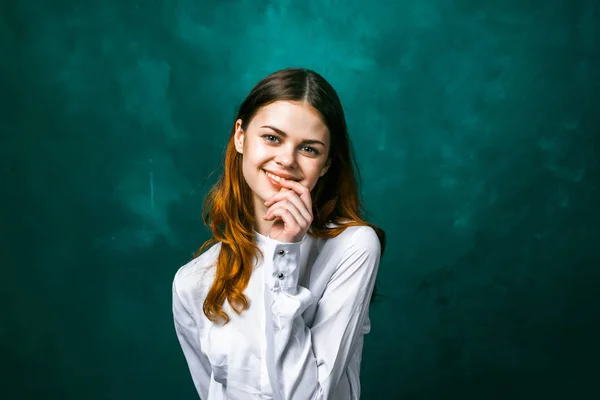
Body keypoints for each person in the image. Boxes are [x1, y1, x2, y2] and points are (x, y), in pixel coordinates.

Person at [172, 67, 386, 400]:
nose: (286, 160)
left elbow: (311, 397)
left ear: (326, 164)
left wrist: (284, 251)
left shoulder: (353, 248)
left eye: (309, 149)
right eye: (272, 138)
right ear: (240, 137)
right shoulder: (193, 281)